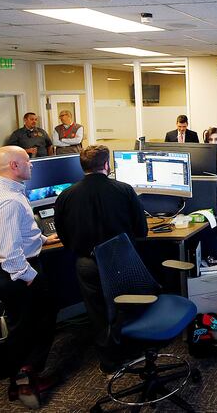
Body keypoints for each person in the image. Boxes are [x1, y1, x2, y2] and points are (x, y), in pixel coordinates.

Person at [0, 146, 61, 409]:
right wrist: (30, 277)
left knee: (24, 324)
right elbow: (10, 253)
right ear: (14, 166)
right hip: (15, 271)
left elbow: (15, 230)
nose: (32, 165)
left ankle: (21, 378)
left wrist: (42, 239)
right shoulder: (8, 201)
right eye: (27, 161)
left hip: (2, 270)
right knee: (34, 325)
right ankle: (25, 380)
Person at [53, 145, 148, 374]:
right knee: (125, 307)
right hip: (121, 261)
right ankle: (131, 352)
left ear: (83, 166)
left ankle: (108, 362)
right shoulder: (124, 190)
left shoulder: (65, 196)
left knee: (97, 313)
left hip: (88, 264)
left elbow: (63, 235)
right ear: (107, 165)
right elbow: (141, 230)